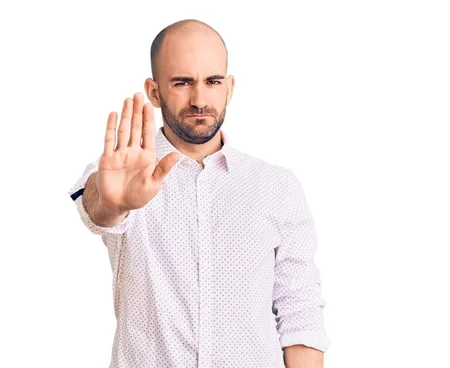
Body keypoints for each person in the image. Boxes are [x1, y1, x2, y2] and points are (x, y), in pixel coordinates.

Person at [67, 19, 330, 368]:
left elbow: (300, 311)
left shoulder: (276, 187)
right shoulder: (121, 174)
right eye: (182, 82)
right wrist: (112, 205)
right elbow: (99, 212)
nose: (200, 99)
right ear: (155, 91)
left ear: (229, 87)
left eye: (212, 81)